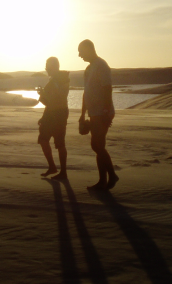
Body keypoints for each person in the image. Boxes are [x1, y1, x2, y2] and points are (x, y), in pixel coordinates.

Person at [78, 39, 119, 190]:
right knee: (97, 145)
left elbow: (107, 88)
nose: (79, 55)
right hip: (94, 112)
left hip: (102, 112)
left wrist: (107, 112)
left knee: (97, 145)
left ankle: (112, 176)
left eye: (81, 51)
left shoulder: (101, 65)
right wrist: (83, 114)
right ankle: (103, 180)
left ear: (89, 49)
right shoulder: (88, 69)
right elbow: (86, 93)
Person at [37, 57, 70, 180]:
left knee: (60, 143)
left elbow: (58, 98)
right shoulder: (55, 79)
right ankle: (52, 167)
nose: (46, 70)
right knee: (43, 139)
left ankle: (63, 172)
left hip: (59, 114)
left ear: (55, 67)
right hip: (51, 113)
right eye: (46, 67)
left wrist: (43, 95)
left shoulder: (61, 79)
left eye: (48, 67)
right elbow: (50, 102)